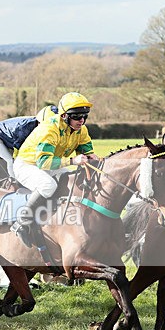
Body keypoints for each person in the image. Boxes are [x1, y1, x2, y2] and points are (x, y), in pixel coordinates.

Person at [9, 92, 100, 247]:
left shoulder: (81, 129)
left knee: (71, 180)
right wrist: (73, 161)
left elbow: (87, 151)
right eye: (77, 117)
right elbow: (43, 162)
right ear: (64, 116)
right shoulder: (49, 129)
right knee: (48, 185)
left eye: (85, 116)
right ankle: (21, 222)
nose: (82, 121)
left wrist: (93, 158)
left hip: (50, 164)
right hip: (27, 165)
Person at [0, 106, 56, 177]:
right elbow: (19, 152)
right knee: (10, 161)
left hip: (10, 140)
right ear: (40, 122)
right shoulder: (25, 128)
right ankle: (14, 185)